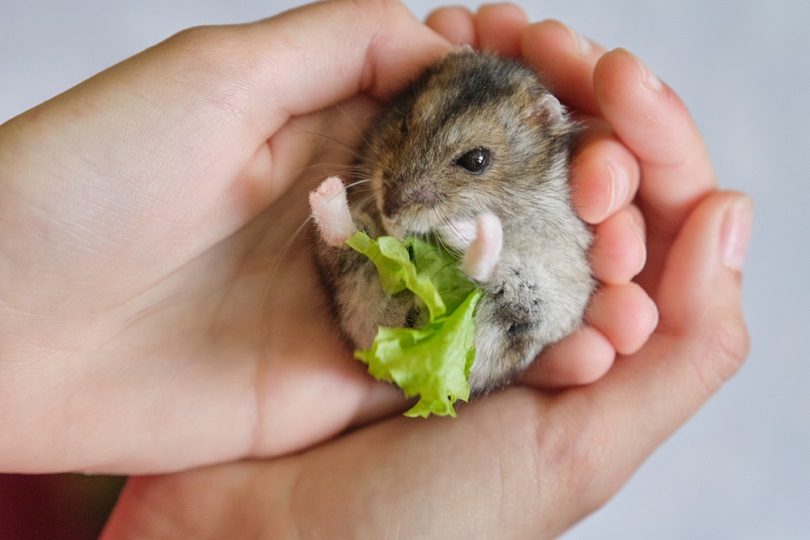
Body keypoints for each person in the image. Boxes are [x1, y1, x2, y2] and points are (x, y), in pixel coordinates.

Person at [0, 1, 750, 536]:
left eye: (473, 161)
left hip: (496, 313)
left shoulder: (557, 179)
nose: (406, 188)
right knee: (356, 257)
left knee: (519, 298)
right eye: (411, 131)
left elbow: (539, 304)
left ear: (541, 139)